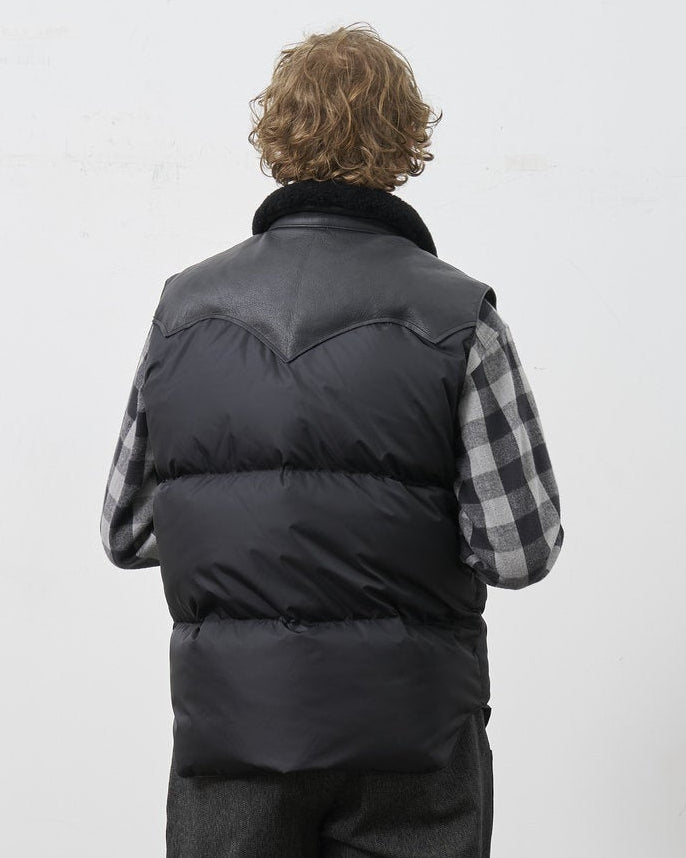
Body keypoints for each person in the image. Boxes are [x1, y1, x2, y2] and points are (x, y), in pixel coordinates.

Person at [100, 21, 564, 858]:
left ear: (277, 136)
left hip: (233, 733)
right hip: (414, 738)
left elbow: (127, 532)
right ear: (405, 142)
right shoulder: (460, 318)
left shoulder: (183, 313)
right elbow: (518, 552)